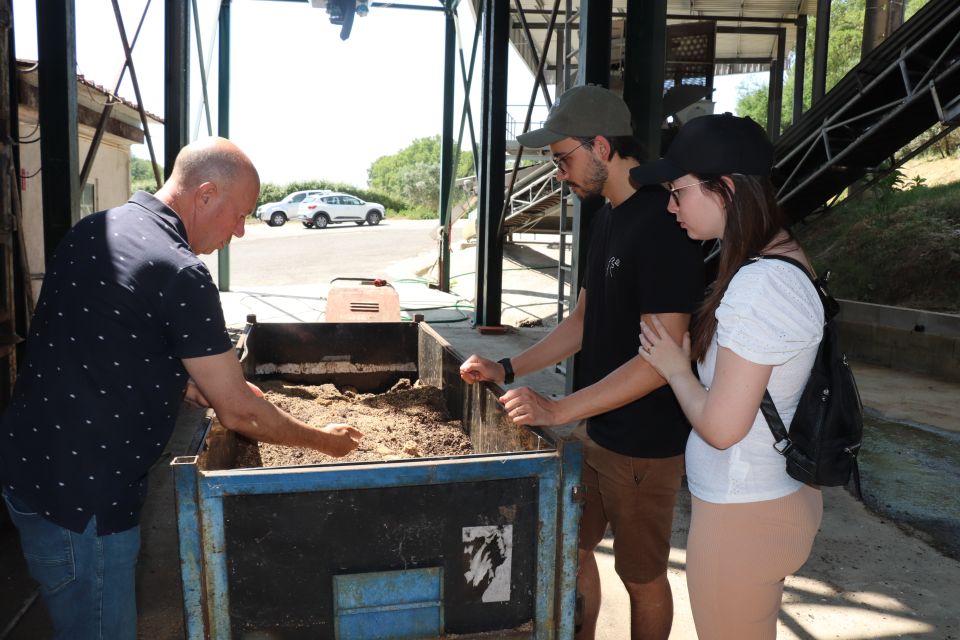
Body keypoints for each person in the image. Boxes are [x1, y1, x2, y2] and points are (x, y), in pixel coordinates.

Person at [0, 137, 363, 640]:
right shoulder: (181, 271)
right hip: (86, 506)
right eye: (240, 215)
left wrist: (186, 384)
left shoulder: (95, 229)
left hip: (27, 470)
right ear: (206, 194)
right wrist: (325, 442)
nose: (239, 231)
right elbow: (241, 414)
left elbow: (103, 340)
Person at [459, 85, 705, 640]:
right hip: (598, 428)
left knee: (641, 578)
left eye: (562, 158)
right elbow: (582, 323)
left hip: (644, 443)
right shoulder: (607, 219)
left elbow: (660, 361)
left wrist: (558, 409)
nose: (558, 174)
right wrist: (508, 368)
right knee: (571, 544)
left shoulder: (664, 223)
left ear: (601, 146)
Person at [632, 113, 824, 639]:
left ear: (726, 189)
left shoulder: (760, 286)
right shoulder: (785, 259)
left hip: (743, 518)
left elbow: (721, 428)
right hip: (771, 500)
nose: (670, 206)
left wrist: (675, 368)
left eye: (678, 191)